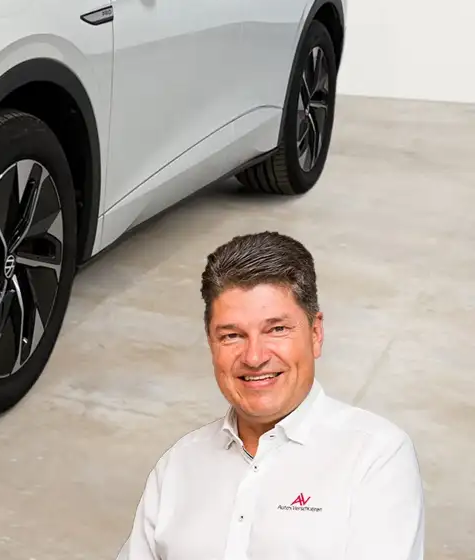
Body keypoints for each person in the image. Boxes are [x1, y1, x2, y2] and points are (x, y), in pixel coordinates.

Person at [115, 231, 425, 560]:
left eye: (276, 329)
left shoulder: (376, 457)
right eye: (232, 335)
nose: (254, 357)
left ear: (316, 333)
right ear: (211, 344)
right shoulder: (179, 465)